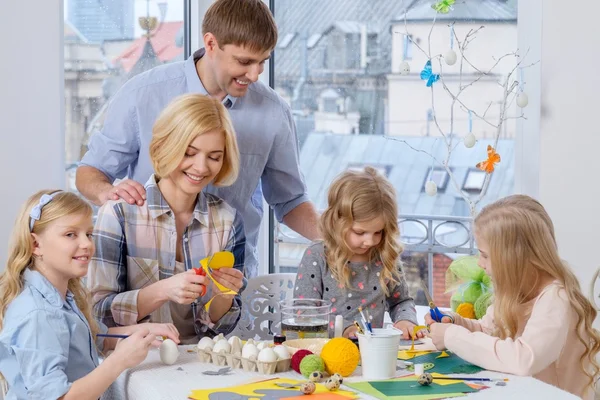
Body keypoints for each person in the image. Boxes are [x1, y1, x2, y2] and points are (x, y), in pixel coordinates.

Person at [75, 0, 319, 278]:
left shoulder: (274, 111)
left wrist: (340, 240)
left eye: (263, 62)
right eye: (244, 62)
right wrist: (107, 193)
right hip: (146, 276)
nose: (254, 75)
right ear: (211, 43)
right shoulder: (142, 94)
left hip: (229, 282)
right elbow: (90, 171)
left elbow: (291, 200)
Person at [87, 94, 246, 344]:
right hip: (136, 363)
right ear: (165, 146)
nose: (201, 167)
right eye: (189, 153)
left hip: (199, 362)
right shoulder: (119, 213)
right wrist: (163, 290)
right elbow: (98, 314)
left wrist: (225, 296)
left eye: (214, 157)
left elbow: (222, 327)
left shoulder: (228, 221)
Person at [0, 190, 178, 400]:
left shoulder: (60, 297)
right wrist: (119, 361)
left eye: (89, 234)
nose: (86, 244)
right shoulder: (40, 313)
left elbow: (94, 339)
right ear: (36, 245)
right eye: (70, 234)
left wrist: (145, 329)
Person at [426, 195, 600, 399]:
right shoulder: (516, 291)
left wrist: (451, 336)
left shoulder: (556, 298)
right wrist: (457, 323)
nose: (480, 264)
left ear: (513, 258)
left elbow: (524, 359)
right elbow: (489, 330)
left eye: (485, 255)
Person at [294, 167, 422, 340]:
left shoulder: (385, 256)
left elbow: (401, 301)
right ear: (337, 221)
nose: (370, 241)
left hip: (372, 353)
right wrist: (343, 328)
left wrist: (405, 320)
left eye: (378, 232)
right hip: (328, 355)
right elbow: (304, 313)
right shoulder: (317, 256)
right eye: (360, 232)